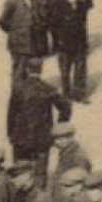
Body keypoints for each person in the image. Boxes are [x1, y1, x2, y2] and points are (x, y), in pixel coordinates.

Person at [7, 60, 71, 192]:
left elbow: (11, 114)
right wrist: (58, 127)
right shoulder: (47, 89)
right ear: (40, 70)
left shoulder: (19, 88)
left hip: (21, 138)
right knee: (40, 173)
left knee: (20, 171)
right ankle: (38, 198)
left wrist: (11, 134)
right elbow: (66, 106)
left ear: (27, 70)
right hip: (42, 138)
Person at [0, 0, 48, 80]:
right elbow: (3, 22)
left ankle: (33, 93)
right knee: (19, 71)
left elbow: (43, 18)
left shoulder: (36, 1)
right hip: (19, 43)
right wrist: (16, 31)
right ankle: (18, 94)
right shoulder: (12, 2)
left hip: (35, 41)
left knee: (35, 71)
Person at [49, 0, 89, 102]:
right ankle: (66, 95)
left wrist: (85, 43)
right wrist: (58, 43)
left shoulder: (81, 6)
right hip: (64, 45)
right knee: (65, 72)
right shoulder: (58, 6)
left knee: (80, 70)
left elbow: (83, 26)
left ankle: (79, 95)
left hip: (79, 44)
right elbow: (53, 27)